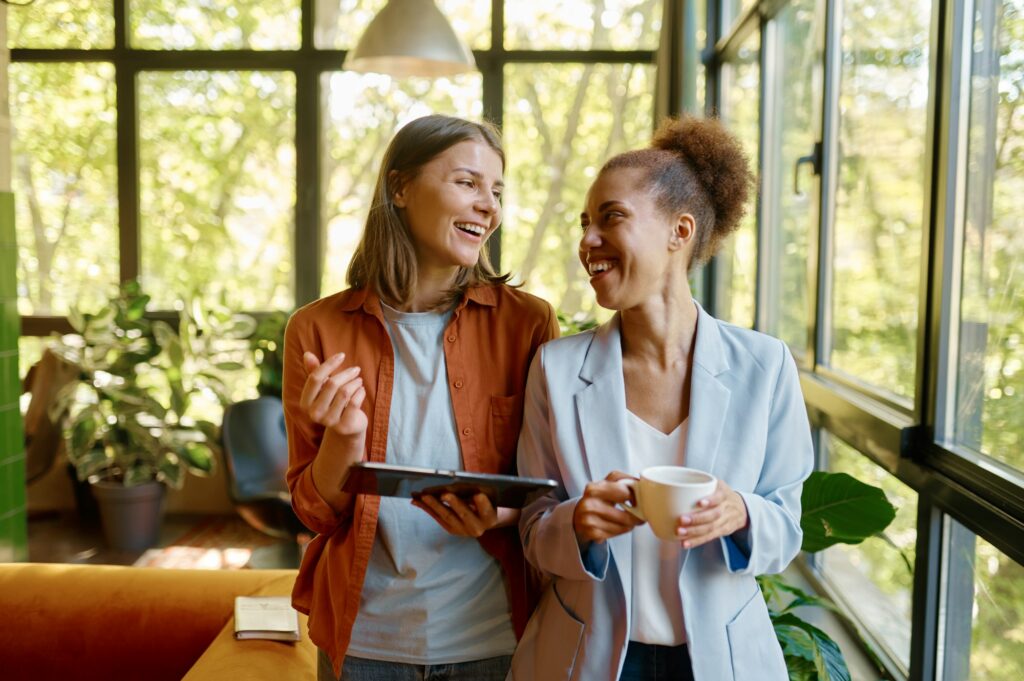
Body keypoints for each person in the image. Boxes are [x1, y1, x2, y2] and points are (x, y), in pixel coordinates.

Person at [508, 115, 814, 681]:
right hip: (589, 658)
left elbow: (786, 527)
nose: (587, 242)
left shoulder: (764, 366)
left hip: (719, 661)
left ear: (681, 230)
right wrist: (578, 522)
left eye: (611, 218)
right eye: (584, 224)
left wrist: (741, 512)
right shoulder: (556, 367)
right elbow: (533, 528)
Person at [282, 114, 559, 681]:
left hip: (493, 637)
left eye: (497, 191)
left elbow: (554, 486)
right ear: (400, 188)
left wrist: (498, 515)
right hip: (364, 644)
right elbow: (313, 512)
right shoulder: (315, 330)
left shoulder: (528, 324)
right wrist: (345, 439)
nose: (489, 205)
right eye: (467, 183)